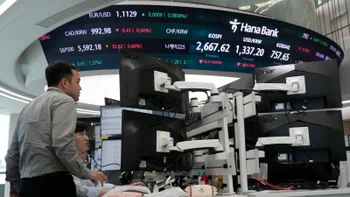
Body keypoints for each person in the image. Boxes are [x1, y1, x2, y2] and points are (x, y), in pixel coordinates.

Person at [5, 61, 107, 197]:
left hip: (28, 187)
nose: (80, 87)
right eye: (77, 82)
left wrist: (17, 186)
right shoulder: (64, 101)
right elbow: (62, 143)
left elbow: (12, 154)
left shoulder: (28, 107)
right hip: (54, 185)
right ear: (65, 83)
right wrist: (87, 173)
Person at [73, 121, 143, 197]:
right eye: (81, 134)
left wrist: (124, 188)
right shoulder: (66, 164)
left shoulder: (76, 164)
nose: (87, 138)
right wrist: (121, 194)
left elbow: (96, 185)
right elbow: (81, 190)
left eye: (85, 134)